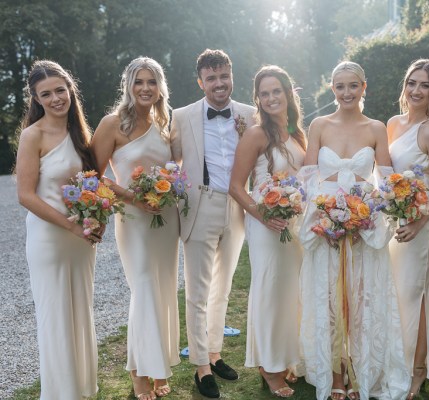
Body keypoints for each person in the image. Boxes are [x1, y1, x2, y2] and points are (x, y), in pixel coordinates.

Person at [298, 61, 410, 400]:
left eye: (353, 85)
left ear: (364, 88)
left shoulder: (376, 128)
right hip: (325, 223)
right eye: (340, 86)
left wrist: (368, 214)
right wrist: (325, 214)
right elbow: (307, 177)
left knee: (361, 300)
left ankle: (363, 372)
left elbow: (388, 180)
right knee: (330, 300)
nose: (346, 92)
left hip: (364, 224)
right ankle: (335, 374)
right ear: (333, 89)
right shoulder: (319, 125)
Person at [91, 57, 180, 399]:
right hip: (134, 219)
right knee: (143, 289)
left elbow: (171, 168)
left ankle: (158, 367)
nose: (145, 88)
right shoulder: (112, 124)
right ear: (129, 86)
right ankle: (139, 374)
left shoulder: (163, 123)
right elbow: (92, 176)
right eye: (139, 82)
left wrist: (168, 188)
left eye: (152, 82)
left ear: (160, 88)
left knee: (163, 290)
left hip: (164, 218)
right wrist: (133, 196)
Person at [170, 49, 256, 398]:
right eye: (211, 78)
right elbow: (167, 158)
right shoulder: (181, 116)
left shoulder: (250, 115)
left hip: (236, 207)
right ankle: (201, 366)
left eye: (224, 76)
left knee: (223, 286)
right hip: (200, 203)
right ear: (200, 81)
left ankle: (216, 352)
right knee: (198, 290)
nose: (219, 84)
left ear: (231, 76)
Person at [16, 60, 100, 399]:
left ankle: (82, 390)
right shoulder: (32, 135)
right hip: (50, 239)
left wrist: (97, 219)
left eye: (60, 90)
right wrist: (71, 226)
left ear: (70, 90)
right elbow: (25, 195)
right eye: (46, 94)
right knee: (55, 318)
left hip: (81, 241)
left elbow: (92, 184)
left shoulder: (80, 134)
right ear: (36, 99)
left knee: (81, 313)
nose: (55, 98)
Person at [229, 65, 306, 398]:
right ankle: (269, 367)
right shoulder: (256, 134)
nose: (271, 97)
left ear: (288, 93)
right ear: (258, 99)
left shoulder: (300, 135)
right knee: (270, 289)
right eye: (264, 93)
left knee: (292, 291)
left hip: (295, 223)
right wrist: (263, 215)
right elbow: (235, 186)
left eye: (277, 91)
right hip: (266, 223)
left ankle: (287, 357)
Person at [386, 58, 429, 399]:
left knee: (415, 295)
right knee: (396, 293)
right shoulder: (393, 124)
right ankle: (394, 360)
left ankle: (416, 370)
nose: (416, 90)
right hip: (394, 221)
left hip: (420, 225)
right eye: (412, 82)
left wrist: (419, 221)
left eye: (424, 85)